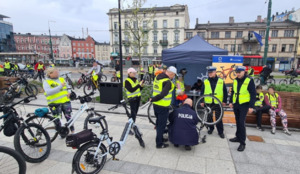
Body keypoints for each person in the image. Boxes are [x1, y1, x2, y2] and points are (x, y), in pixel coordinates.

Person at [229, 66, 256, 152]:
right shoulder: (235, 80)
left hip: (244, 105)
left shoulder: (249, 80)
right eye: (237, 72)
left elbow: (253, 94)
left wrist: (251, 106)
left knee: (241, 123)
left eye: (240, 72)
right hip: (236, 104)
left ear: (244, 72)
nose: (238, 73)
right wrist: (230, 102)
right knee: (237, 121)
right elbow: (233, 92)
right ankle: (237, 137)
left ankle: (242, 143)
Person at [150, 66, 177, 149]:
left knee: (158, 123)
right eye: (174, 75)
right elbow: (163, 94)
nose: (174, 77)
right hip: (162, 106)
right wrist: (152, 99)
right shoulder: (167, 82)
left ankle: (160, 138)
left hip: (156, 105)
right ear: (171, 74)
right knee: (161, 125)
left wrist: (153, 99)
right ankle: (159, 143)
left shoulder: (158, 77)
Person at [43, 67, 74, 134]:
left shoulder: (61, 79)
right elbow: (48, 92)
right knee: (57, 120)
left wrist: (69, 92)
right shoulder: (46, 82)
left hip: (65, 102)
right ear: (50, 74)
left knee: (69, 117)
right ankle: (61, 133)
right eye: (56, 72)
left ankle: (73, 132)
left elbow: (68, 86)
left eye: (58, 72)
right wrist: (60, 86)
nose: (58, 73)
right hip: (55, 104)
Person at [201, 66, 228, 139]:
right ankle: (211, 128)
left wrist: (224, 101)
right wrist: (202, 101)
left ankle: (220, 132)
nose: (209, 74)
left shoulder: (221, 81)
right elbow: (202, 92)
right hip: (208, 102)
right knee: (209, 117)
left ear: (215, 72)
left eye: (211, 72)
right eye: (209, 72)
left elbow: (225, 92)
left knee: (218, 117)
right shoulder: (206, 81)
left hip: (218, 102)